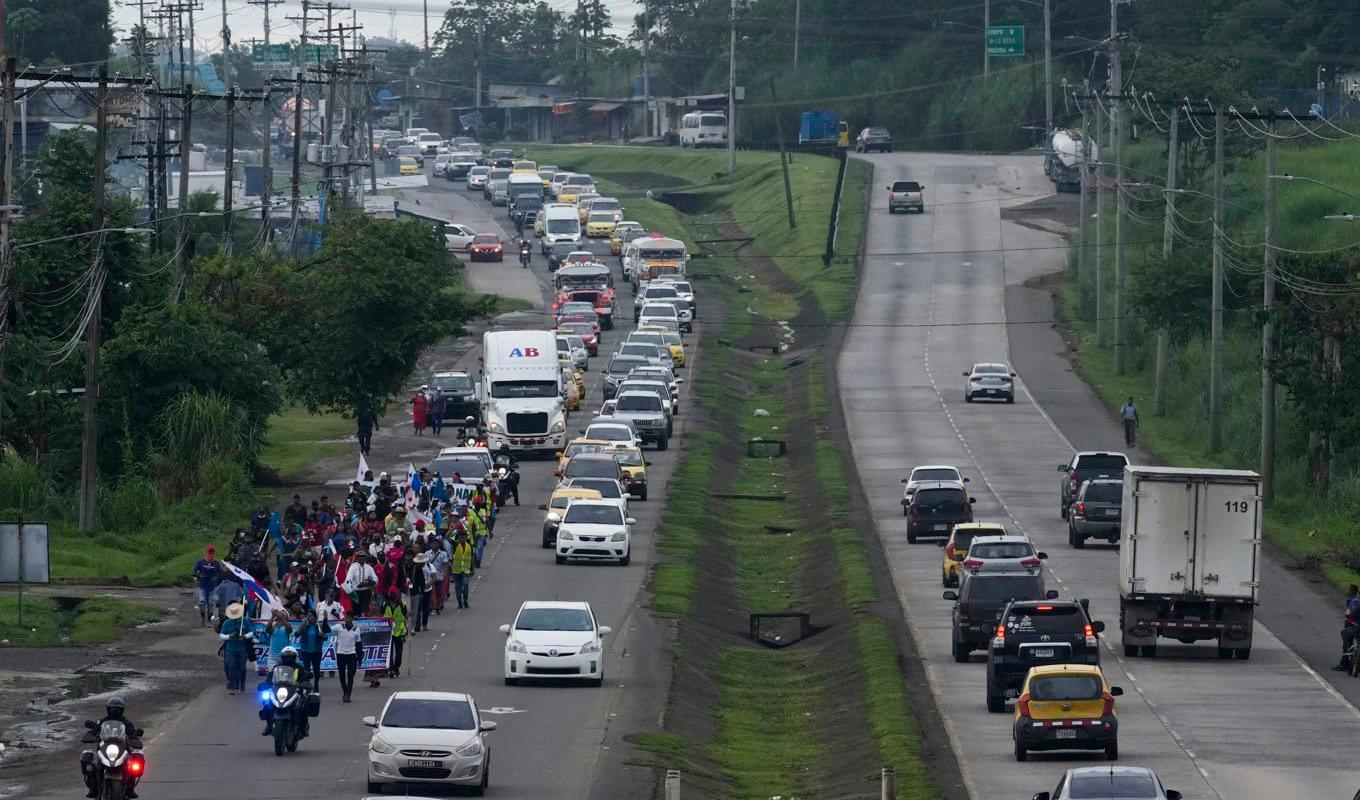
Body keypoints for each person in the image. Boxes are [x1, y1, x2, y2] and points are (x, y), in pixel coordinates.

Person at [81, 698, 143, 799]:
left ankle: (130, 789)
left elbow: (133, 734)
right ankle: (93, 788)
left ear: (122, 710)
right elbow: (93, 730)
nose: (115, 711)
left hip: (122, 747)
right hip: (104, 746)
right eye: (113, 709)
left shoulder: (127, 723)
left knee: (137, 760)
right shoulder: (102, 721)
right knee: (87, 757)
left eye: (118, 709)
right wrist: (90, 736)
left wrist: (135, 739)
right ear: (108, 709)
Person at [261, 646, 310, 738]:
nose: (288, 658)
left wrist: (305, 683)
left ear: (295, 657)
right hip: (279, 690)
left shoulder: (300, 668)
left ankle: (304, 726)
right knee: (266, 703)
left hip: (295, 691)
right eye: (286, 656)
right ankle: (269, 725)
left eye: (291, 656)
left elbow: (305, 679)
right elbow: (270, 678)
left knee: (303, 705)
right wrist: (265, 684)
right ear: (282, 657)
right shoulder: (277, 667)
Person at [218, 602, 253, 694]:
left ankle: (242, 682)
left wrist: (245, 636)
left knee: (242, 668)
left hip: (242, 649)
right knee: (231, 667)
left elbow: (251, 633)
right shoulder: (227, 622)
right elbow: (221, 635)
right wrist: (229, 636)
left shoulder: (245, 621)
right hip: (230, 649)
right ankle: (234, 685)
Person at [295, 610, 330, 691]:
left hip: (317, 651)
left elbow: (326, 636)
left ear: (315, 616)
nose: (311, 617)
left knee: (316, 670)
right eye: (309, 616)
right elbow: (296, 634)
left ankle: (316, 684)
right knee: (307, 670)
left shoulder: (319, 625)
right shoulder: (304, 625)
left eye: (312, 616)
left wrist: (323, 635)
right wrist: (303, 625)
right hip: (305, 651)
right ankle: (307, 685)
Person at [333, 613, 361, 702]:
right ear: (344, 618)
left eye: (350, 617)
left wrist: (360, 659)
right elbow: (326, 629)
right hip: (340, 654)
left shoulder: (357, 630)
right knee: (341, 675)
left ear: (352, 619)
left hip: (352, 654)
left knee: (350, 675)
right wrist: (325, 619)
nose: (348, 619)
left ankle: (348, 694)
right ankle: (345, 691)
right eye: (346, 617)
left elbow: (359, 644)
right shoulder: (339, 627)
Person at [381, 589, 409, 678]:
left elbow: (406, 616)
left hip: (399, 632)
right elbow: (381, 615)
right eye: (390, 593)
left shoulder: (402, 605)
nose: (392, 595)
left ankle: (397, 667)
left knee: (399, 652)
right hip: (388, 631)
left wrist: (408, 617)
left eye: (393, 593)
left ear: (397, 594)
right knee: (389, 652)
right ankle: (391, 669)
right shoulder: (385, 604)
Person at [192, 546, 223, 626]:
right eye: (210, 553)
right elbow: (194, 572)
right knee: (202, 602)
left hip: (212, 587)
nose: (211, 555)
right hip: (202, 586)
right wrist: (199, 575)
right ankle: (203, 616)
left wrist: (216, 578)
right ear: (206, 553)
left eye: (212, 553)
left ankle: (209, 619)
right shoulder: (200, 562)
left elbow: (220, 573)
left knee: (211, 604)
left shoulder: (216, 563)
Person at [1337, 584, 1360, 671]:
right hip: (1353, 625)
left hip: (1354, 626)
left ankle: (1346, 660)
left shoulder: (1355, 602)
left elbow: (1352, 614)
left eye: (1349, 590)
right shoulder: (1353, 601)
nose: (1348, 591)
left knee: (1345, 634)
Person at [450, 530, 474, 609]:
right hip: (456, 571)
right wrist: (452, 529)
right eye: (460, 538)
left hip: (466, 570)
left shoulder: (469, 546)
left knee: (465, 585)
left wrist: (472, 568)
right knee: (458, 587)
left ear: (466, 538)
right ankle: (459, 602)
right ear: (458, 538)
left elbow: (471, 557)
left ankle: (465, 600)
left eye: (464, 538)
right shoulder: (456, 544)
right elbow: (446, 537)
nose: (462, 540)